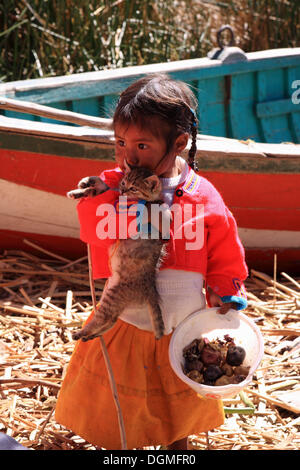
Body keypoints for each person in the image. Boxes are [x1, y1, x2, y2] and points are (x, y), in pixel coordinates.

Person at [55, 73, 248, 450]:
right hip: (127, 318)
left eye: (142, 145)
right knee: (119, 405)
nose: (128, 155)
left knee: (177, 407)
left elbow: (224, 246)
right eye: (121, 142)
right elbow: (93, 233)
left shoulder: (202, 195)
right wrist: (97, 196)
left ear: (178, 144)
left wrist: (227, 290)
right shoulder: (113, 186)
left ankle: (177, 451)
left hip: (182, 319)